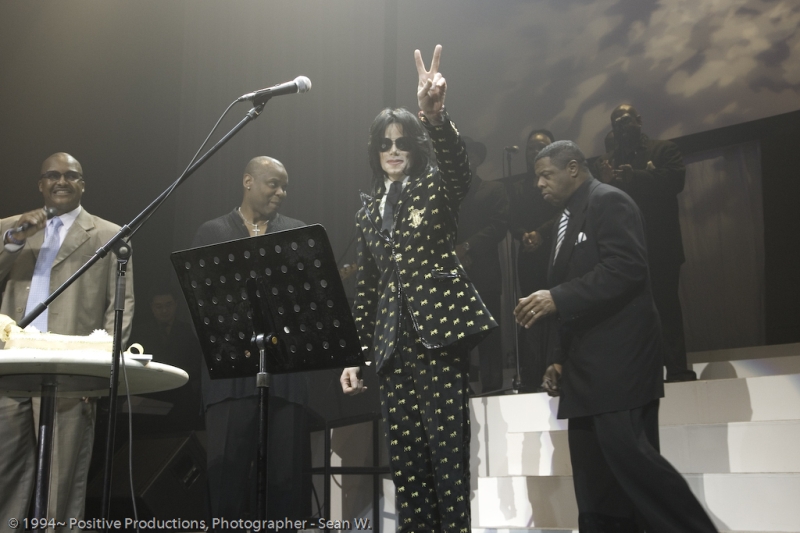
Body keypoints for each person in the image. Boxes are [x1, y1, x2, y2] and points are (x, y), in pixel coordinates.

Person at [515, 141, 716, 532]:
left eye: (546, 175)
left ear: (573, 168)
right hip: (585, 368)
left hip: (620, 362)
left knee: (634, 462)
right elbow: (573, 288)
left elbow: (626, 268)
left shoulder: (609, 200)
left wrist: (556, 297)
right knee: (594, 478)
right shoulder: (565, 217)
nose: (539, 184)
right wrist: (558, 358)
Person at [340, 45, 497, 533]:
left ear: (415, 146)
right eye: (385, 142)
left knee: (447, 458)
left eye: (402, 141)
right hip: (391, 345)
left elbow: (458, 170)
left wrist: (435, 115)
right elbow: (367, 289)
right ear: (375, 150)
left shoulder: (435, 186)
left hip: (439, 334)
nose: (393, 149)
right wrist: (355, 355)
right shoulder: (368, 211)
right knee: (407, 466)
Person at [0, 152, 135, 525]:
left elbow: (120, 308)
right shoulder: (9, 228)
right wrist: (14, 241)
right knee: (4, 479)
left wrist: (99, 373)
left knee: (61, 486)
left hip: (70, 369)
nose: (62, 181)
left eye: (71, 175)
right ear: (40, 184)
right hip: (11, 365)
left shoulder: (108, 234)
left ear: (83, 185)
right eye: (53, 175)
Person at [191, 156, 310, 528]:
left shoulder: (296, 232)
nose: (281, 192)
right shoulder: (212, 232)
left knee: (285, 486)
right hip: (228, 380)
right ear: (247, 181)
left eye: (285, 186)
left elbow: (308, 304)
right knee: (225, 485)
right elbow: (198, 305)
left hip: (285, 379)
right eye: (273, 184)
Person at [597, 104, 696, 382]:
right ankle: (641, 372)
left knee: (665, 307)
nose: (620, 127)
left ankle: (676, 370)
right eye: (615, 123)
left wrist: (637, 176)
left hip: (661, 245)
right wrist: (605, 183)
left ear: (639, 121)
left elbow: (676, 181)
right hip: (624, 250)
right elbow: (599, 203)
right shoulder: (606, 162)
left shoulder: (663, 149)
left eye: (625, 120)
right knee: (630, 313)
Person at [503, 129, 559, 391]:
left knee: (556, 311)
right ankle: (531, 377)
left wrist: (541, 233)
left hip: (555, 253)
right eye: (530, 148)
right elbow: (511, 219)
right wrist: (523, 235)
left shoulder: (558, 180)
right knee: (530, 315)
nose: (534, 152)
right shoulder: (517, 186)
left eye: (540, 147)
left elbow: (565, 213)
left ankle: (556, 369)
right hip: (527, 257)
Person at [456, 137, 509, 393]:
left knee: (488, 338)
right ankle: (460, 393)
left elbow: (499, 226)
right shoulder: (444, 195)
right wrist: (453, 252)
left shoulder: (493, 189)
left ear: (475, 159)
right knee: (456, 338)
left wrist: (467, 247)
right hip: (453, 275)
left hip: (485, 275)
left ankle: (493, 390)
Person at [130, 289, 204, 435]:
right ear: (151, 307)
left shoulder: (189, 331)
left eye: (168, 305)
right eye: (159, 306)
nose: (164, 310)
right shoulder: (140, 333)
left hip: (182, 397)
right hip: (149, 398)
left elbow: (197, 365)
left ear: (176, 304)